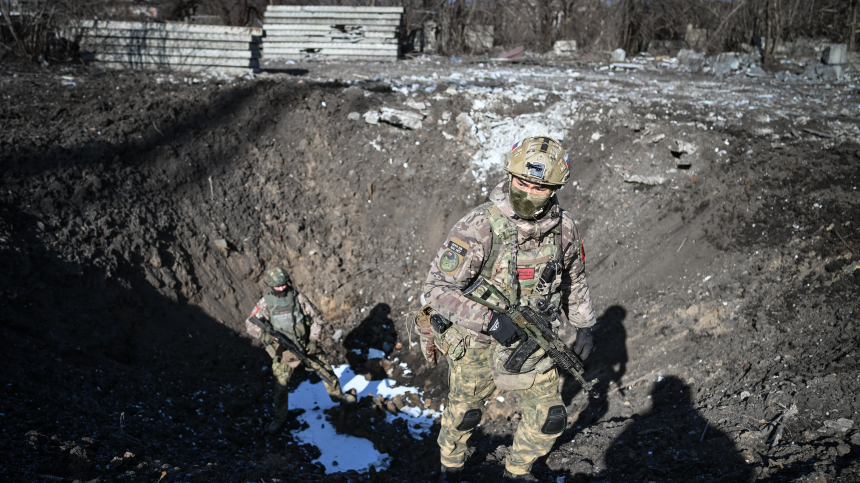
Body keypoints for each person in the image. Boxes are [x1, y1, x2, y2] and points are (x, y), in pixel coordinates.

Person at [423, 136, 597, 482]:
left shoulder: (563, 229)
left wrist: (584, 324)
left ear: (555, 188)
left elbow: (574, 278)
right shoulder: (480, 226)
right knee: (465, 415)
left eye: (539, 186)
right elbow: (436, 290)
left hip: (533, 341)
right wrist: (489, 321)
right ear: (509, 175)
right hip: (477, 342)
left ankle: (517, 471)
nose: (528, 191)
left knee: (550, 418)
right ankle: (451, 465)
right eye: (521, 182)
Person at [245, 267, 355, 434]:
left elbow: (317, 318)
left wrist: (313, 340)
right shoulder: (265, 303)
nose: (282, 288)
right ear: (270, 286)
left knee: (326, 371)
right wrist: (265, 336)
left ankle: (338, 397)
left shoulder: (298, 297)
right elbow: (250, 324)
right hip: (284, 351)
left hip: (305, 345)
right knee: (280, 386)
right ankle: (279, 418)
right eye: (278, 286)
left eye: (284, 285)